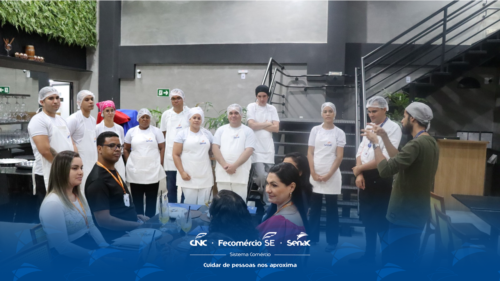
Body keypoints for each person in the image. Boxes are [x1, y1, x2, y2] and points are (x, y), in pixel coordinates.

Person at [361, 102, 439, 269]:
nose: (402, 121)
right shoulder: (429, 142)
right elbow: (399, 159)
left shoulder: (416, 144)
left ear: (412, 118)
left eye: (404, 116)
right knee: (407, 259)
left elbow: (386, 169)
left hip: (404, 213)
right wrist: (384, 137)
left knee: (394, 262)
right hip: (415, 212)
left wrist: (375, 143)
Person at [350, 96, 402, 264]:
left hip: (381, 176)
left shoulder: (393, 128)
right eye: (369, 111)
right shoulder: (369, 126)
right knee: (367, 219)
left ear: (385, 109)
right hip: (364, 175)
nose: (371, 114)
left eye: (374, 111)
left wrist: (360, 169)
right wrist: (359, 173)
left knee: (380, 220)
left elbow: (385, 158)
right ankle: (369, 255)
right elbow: (360, 150)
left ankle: (386, 259)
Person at [39, 151, 108, 259]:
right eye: (75, 168)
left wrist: (105, 248)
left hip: (87, 247)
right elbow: (62, 247)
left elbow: (91, 226)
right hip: (68, 258)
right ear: (61, 172)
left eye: (81, 167)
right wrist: (95, 255)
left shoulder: (78, 195)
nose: (81, 172)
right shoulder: (52, 204)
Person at [86, 131, 149, 241]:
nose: (117, 149)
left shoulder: (111, 170)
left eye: (119, 146)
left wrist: (137, 217)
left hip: (130, 228)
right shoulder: (98, 180)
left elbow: (118, 206)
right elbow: (103, 221)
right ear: (99, 149)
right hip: (118, 238)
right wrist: (138, 226)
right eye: (111, 146)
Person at [28, 86, 76, 214]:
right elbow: (45, 150)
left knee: (67, 211)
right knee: (51, 213)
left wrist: (76, 164)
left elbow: (71, 143)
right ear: (41, 102)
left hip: (65, 171)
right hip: (49, 172)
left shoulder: (61, 119)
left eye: (57, 98)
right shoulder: (38, 120)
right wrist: (63, 169)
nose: (55, 101)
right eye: (51, 98)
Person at [307, 102, 345, 252]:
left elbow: (340, 156)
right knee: (314, 208)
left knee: (332, 210)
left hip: (332, 175)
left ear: (334, 114)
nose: (328, 113)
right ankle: (312, 239)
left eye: (330, 111)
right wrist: (313, 172)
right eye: (325, 111)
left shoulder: (339, 133)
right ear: (322, 114)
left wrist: (329, 174)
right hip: (315, 174)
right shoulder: (315, 130)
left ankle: (332, 241)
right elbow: (310, 153)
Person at [257, 163, 308, 256]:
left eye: (274, 185)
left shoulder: (280, 222)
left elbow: (266, 259)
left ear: (291, 187)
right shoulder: (296, 209)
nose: (267, 190)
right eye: (267, 183)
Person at [123, 108, 166, 218]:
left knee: (151, 198)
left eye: (147, 117)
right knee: (137, 198)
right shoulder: (131, 131)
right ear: (138, 119)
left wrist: (160, 163)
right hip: (135, 171)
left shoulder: (156, 131)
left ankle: (150, 221)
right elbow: (126, 148)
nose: (145, 119)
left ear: (150, 119)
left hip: (152, 170)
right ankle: (139, 221)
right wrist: (129, 162)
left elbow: (162, 147)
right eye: (143, 117)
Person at [212, 104, 255, 202]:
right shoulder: (221, 130)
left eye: (236, 113)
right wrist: (225, 165)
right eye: (231, 113)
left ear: (241, 115)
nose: (233, 115)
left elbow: (249, 150)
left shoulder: (248, 131)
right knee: (222, 202)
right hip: (223, 172)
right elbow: (215, 147)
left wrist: (234, 166)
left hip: (240, 173)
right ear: (227, 116)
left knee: (239, 203)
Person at [173, 107, 214, 205]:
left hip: (205, 175)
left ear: (202, 120)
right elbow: (175, 154)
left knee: (205, 205)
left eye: (199, 118)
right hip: (188, 175)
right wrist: (182, 172)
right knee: (189, 205)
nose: (196, 120)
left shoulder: (207, 134)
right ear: (189, 119)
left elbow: (212, 152)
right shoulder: (182, 134)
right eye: (194, 117)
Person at [246, 85, 280, 204]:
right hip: (256, 148)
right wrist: (267, 124)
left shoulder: (272, 109)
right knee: (261, 176)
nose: (262, 99)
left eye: (264, 96)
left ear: (268, 96)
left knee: (271, 177)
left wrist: (261, 124)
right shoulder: (252, 107)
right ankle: (262, 191)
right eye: (259, 96)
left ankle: (268, 205)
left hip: (269, 148)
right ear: (256, 96)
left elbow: (276, 128)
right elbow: (252, 125)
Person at [160, 89, 189, 203]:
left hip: (187, 155)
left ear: (183, 99)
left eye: (178, 98)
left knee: (186, 188)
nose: (176, 100)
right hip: (170, 157)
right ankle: (172, 212)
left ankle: (184, 212)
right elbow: (163, 133)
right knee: (171, 188)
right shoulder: (166, 114)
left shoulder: (190, 113)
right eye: (173, 98)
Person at [66, 90, 98, 193]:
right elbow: (66, 138)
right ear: (79, 102)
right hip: (80, 162)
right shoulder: (73, 119)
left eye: (92, 99)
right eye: (87, 100)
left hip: (92, 161)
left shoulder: (93, 120)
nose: (90, 102)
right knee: (81, 191)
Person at [95, 100, 127, 182]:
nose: (110, 113)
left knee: (120, 182)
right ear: (102, 113)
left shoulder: (120, 128)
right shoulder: (97, 128)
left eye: (112, 110)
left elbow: (122, 145)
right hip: (103, 160)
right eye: (107, 111)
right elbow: (96, 146)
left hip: (118, 160)